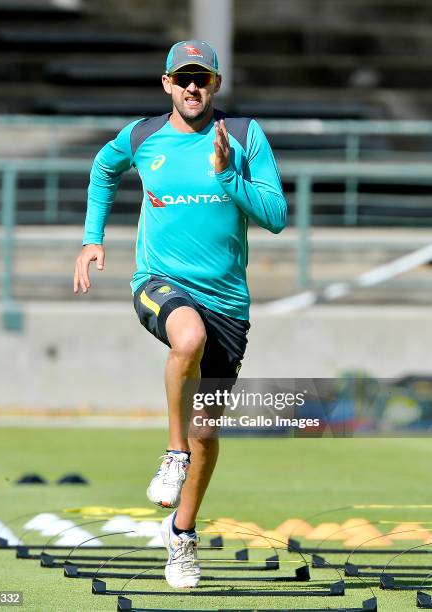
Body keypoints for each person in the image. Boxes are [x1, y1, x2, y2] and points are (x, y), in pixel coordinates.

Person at [73, 40, 288, 588]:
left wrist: (226, 176)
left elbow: (277, 216)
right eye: (183, 78)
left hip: (228, 304)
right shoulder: (144, 136)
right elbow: (103, 168)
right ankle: (172, 454)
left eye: (203, 79)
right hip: (159, 284)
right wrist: (92, 240)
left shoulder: (242, 137)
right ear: (166, 83)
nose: (193, 87)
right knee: (185, 337)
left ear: (215, 85)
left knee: (207, 431)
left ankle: (182, 535)